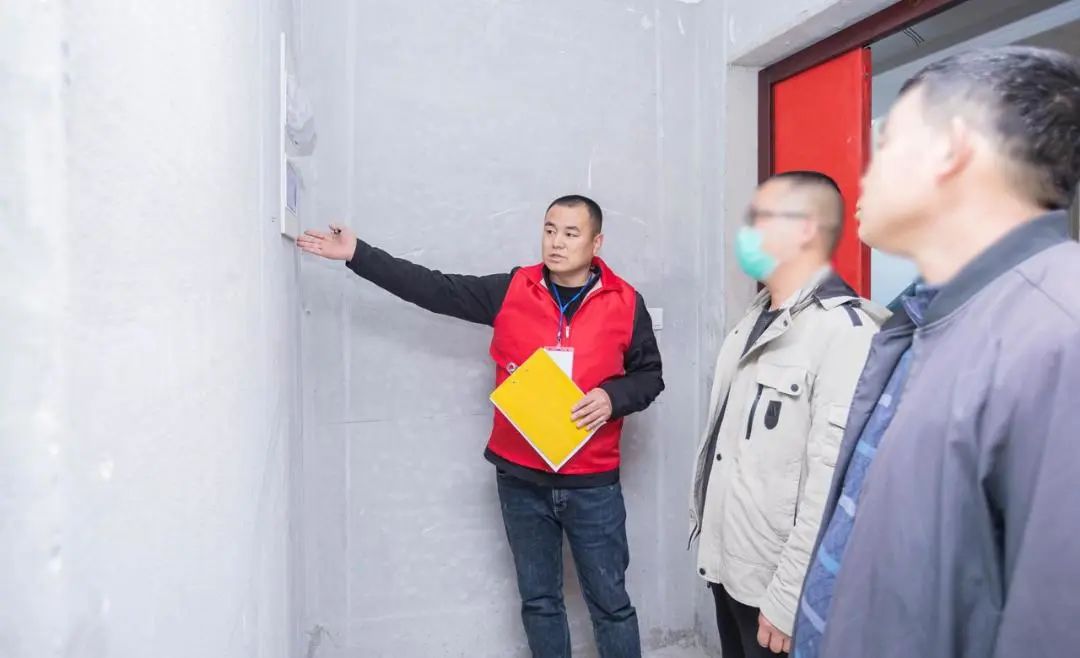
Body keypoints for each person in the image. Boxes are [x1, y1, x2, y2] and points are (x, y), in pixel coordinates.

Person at [793, 46, 1080, 658]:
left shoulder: (1061, 332)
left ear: (951, 149)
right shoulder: (924, 320)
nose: (864, 177)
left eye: (888, 143)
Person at [297, 195, 663, 658]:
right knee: (540, 602)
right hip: (521, 480)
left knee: (611, 605)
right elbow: (435, 288)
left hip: (593, 484)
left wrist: (613, 397)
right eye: (549, 229)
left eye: (571, 233)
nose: (556, 242)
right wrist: (357, 254)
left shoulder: (626, 302)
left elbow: (650, 376)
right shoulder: (513, 289)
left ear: (596, 243)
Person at [689, 171, 885, 658]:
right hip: (731, 567)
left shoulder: (846, 332)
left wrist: (791, 594)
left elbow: (832, 483)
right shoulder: (752, 319)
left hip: (778, 592)